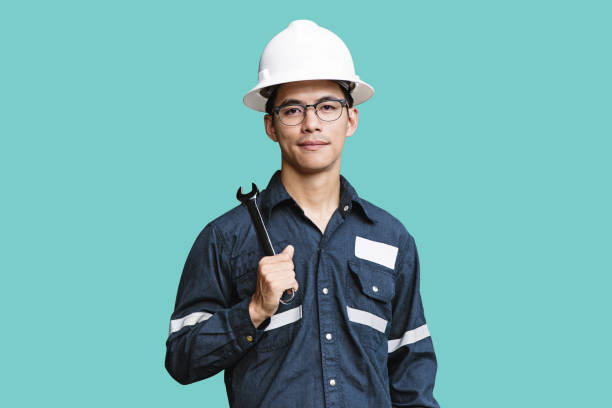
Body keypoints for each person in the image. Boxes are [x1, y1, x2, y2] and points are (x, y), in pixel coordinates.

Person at [165, 19, 440, 408]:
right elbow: (181, 359)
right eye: (293, 110)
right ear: (271, 126)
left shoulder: (391, 237)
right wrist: (254, 310)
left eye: (328, 107)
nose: (311, 123)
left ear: (352, 119)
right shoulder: (225, 238)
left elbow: (411, 371)